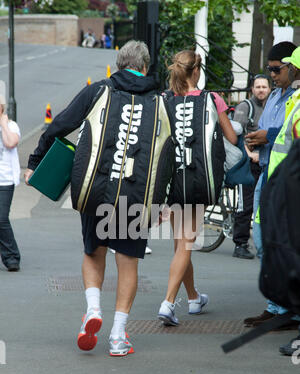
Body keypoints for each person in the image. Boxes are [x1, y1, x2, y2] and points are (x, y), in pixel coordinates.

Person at [24, 40, 158, 356]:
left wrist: (36, 161)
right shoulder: (156, 100)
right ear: (145, 68)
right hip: (134, 191)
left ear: (120, 62)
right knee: (127, 261)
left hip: (95, 187)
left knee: (93, 251)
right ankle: (117, 335)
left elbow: (61, 124)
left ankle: (93, 310)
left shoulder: (98, 91)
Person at [157, 50, 237, 326]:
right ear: (197, 71)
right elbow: (232, 137)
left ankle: (193, 298)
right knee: (186, 244)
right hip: (199, 179)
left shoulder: (165, 100)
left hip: (172, 180)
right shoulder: (211, 99)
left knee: (181, 243)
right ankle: (168, 303)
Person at [244, 41, 298, 329]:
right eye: (269, 70)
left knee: (284, 245)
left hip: (287, 183)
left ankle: (287, 310)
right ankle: (276, 306)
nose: (272, 75)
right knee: (263, 241)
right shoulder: (276, 96)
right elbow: (267, 129)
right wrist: (255, 138)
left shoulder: (297, 97)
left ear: (291, 67)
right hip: (267, 178)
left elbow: (290, 134)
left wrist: (268, 135)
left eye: (276, 70)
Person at [232, 75, 271, 259]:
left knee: (262, 205)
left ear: (269, 89)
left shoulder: (272, 106)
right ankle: (240, 244)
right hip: (246, 164)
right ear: (252, 89)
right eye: (258, 86)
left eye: (264, 86)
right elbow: (236, 136)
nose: (261, 90)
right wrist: (250, 155)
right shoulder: (245, 107)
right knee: (245, 205)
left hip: (263, 162)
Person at [0, 94, 21, 272]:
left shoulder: (11, 126)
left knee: (1, 218)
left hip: (5, 181)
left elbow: (10, 142)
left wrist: (3, 124)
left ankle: (11, 256)